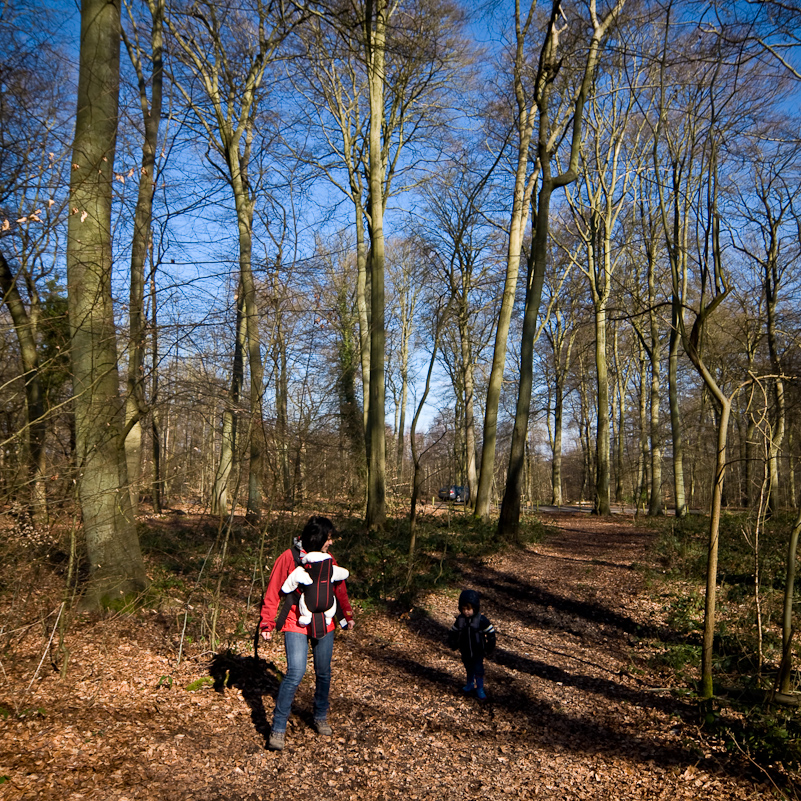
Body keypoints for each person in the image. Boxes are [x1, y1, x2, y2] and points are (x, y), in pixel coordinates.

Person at [259, 516, 354, 751]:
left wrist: (347, 615)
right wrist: (267, 622)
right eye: (328, 538)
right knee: (295, 672)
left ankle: (320, 715)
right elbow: (273, 591)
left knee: (323, 672)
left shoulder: (329, 560)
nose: (330, 543)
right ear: (317, 538)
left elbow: (338, 589)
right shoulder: (289, 558)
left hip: (325, 621)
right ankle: (278, 729)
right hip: (295, 622)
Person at [447, 589, 496, 700]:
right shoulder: (460, 620)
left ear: (475, 607)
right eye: (463, 609)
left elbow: (491, 633)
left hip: (478, 650)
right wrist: (452, 642)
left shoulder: (481, 620)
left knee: (478, 669)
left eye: (468, 609)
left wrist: (490, 646)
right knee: (468, 667)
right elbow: (453, 632)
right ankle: (469, 683)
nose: (466, 612)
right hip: (465, 650)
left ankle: (479, 688)